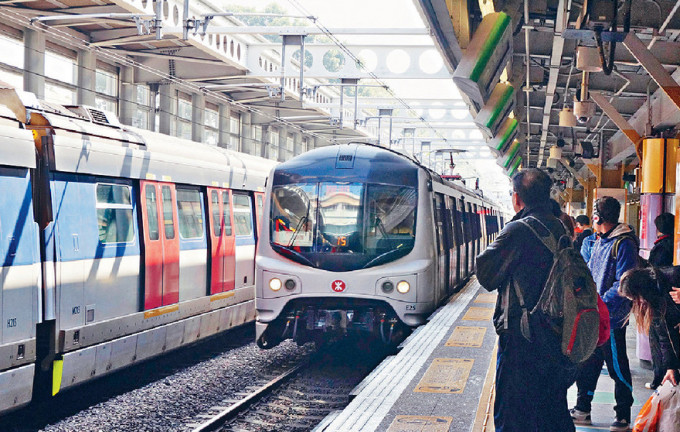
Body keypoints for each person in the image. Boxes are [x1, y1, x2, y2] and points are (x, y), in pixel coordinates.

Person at [477, 169, 575, 432]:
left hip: (522, 336)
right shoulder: (561, 226)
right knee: (551, 407)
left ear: (517, 198)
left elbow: (486, 275)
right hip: (557, 332)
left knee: (513, 412)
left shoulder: (519, 230)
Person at [571, 196, 638, 432]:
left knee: (617, 366)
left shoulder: (624, 243)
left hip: (612, 318)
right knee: (588, 364)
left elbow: (624, 282)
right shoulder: (599, 240)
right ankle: (582, 408)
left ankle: (623, 415)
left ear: (597, 217)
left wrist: (599, 303)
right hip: (594, 315)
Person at [619, 266, 680, 388]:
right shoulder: (654, 302)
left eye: (637, 299)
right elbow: (665, 336)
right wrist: (671, 367)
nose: (639, 304)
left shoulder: (674, 276)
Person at [643, 212, 674, 389]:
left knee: (657, 340)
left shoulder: (661, 248)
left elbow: (653, 274)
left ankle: (658, 378)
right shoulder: (673, 246)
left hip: (659, 300)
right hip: (672, 299)